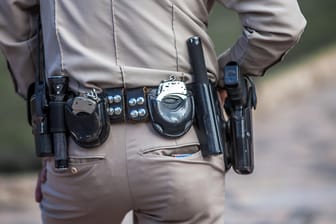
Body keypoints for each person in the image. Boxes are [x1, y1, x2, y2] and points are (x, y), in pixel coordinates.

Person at [0, 0, 306, 223]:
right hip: (183, 142)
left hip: (77, 147)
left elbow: (15, 24)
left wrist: (51, 120)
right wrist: (224, 77)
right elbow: (281, 23)